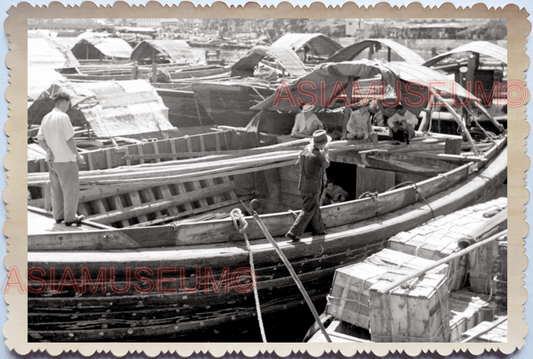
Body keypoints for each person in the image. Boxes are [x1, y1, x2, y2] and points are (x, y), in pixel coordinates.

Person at [37, 91, 86, 226]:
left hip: (52, 161)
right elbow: (69, 139)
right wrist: (78, 155)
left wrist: (49, 151)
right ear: (64, 102)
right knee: (70, 189)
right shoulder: (63, 117)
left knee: (57, 189)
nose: (68, 107)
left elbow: (39, 139)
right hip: (66, 159)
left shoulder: (46, 117)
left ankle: (59, 216)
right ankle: (70, 218)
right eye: (69, 104)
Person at [286, 130, 331, 242]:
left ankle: (319, 230)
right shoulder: (318, 155)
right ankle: (294, 232)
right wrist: (326, 153)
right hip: (312, 188)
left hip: (303, 186)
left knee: (314, 207)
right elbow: (326, 164)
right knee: (308, 209)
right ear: (322, 144)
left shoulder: (305, 151)